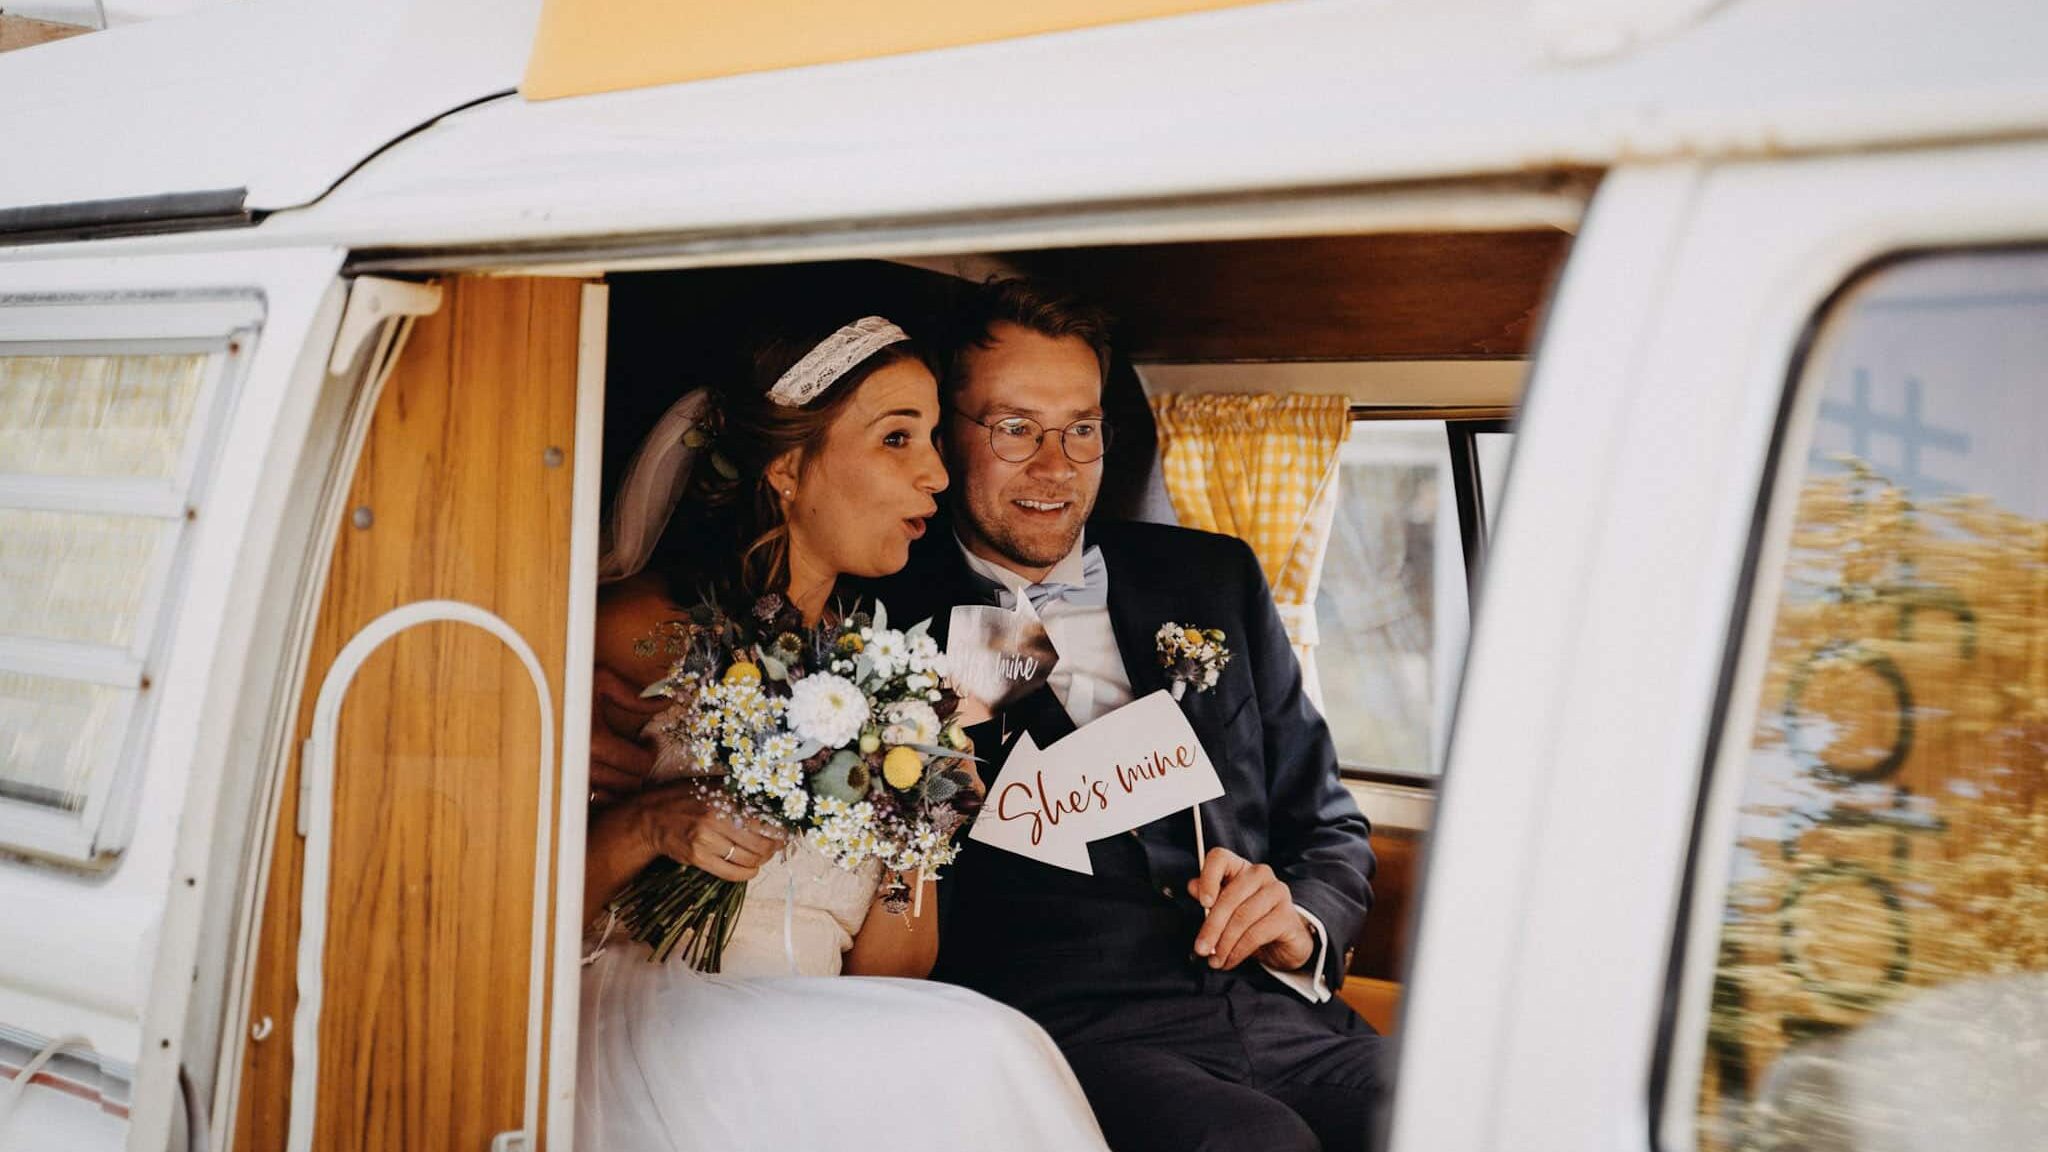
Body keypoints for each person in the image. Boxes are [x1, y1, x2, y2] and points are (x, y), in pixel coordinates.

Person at [859, 279, 1386, 1152]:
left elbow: (1329, 820)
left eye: (1082, 429)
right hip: (1074, 1038)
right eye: (1016, 428)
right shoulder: (882, 625)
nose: (1056, 466)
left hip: (1286, 1014)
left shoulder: (1214, 578)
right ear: (949, 436)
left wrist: (1300, 924)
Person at [577, 311, 1109, 1151]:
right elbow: (501, 901)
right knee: (984, 1050)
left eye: (933, 438)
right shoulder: (638, 633)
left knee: (987, 1043)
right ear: (789, 467)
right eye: (899, 439)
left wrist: (917, 835)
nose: (935, 473)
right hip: (658, 1021)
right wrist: (646, 823)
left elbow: (890, 976)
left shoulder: (901, 681)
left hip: (815, 1023)